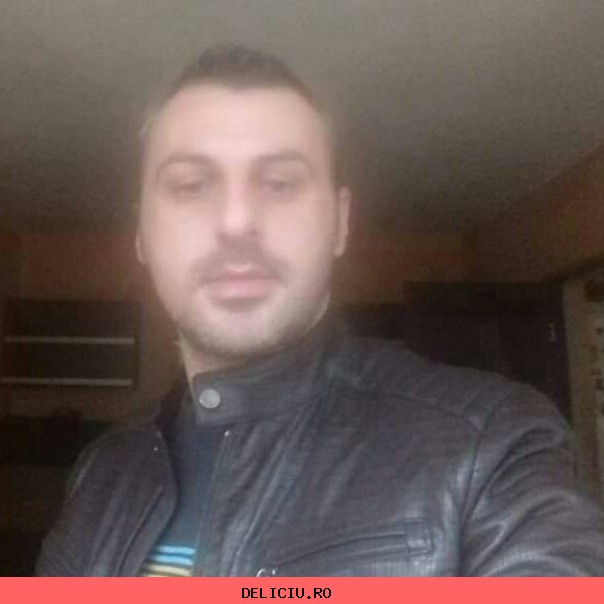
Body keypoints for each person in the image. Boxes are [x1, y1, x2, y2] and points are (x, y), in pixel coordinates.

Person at [36, 45, 604, 577]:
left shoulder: (495, 444)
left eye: (281, 183)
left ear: (339, 223)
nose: (237, 221)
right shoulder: (102, 471)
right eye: (190, 185)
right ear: (142, 232)